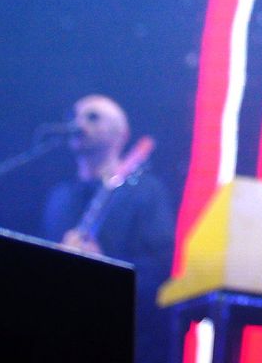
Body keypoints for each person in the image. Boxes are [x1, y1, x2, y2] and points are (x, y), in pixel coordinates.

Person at [41, 94, 176, 363]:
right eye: (74, 117)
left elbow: (159, 270)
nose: (78, 123)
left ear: (120, 135)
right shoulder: (59, 197)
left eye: (92, 117)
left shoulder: (146, 191)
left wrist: (104, 265)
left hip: (125, 340)